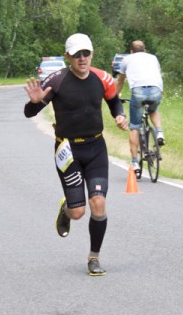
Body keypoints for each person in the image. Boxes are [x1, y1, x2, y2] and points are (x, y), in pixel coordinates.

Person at [24, 33, 128, 276]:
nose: (82, 59)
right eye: (76, 54)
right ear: (67, 57)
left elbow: (114, 102)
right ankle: (67, 210)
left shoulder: (102, 78)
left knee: (98, 203)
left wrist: (119, 115)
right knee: (78, 212)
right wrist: (35, 103)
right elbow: (30, 112)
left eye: (86, 53)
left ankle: (94, 257)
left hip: (96, 148)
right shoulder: (56, 81)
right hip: (68, 150)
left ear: (91, 54)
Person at [115, 40, 164, 176]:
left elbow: (120, 80)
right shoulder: (153, 58)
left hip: (138, 91)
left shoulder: (127, 59)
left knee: (135, 126)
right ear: (145, 50)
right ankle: (159, 132)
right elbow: (157, 74)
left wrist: (115, 96)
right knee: (153, 109)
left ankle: (135, 161)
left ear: (131, 51)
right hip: (156, 89)